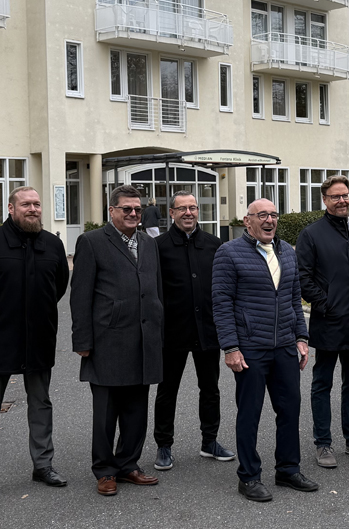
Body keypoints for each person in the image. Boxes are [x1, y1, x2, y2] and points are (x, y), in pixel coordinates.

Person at [0, 186, 70, 507]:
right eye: (25, 204)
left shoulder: (53, 245)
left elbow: (58, 286)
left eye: (36, 204)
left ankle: (43, 466)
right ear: (10, 208)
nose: (32, 209)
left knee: (41, 405)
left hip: (39, 341)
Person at [213, 199, 318, 502]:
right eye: (262, 215)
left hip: (285, 345)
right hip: (250, 348)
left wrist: (301, 336)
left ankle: (288, 469)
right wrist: (231, 348)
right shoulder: (228, 253)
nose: (269, 220)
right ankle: (248, 476)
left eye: (273, 215)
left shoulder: (287, 251)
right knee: (250, 413)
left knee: (290, 410)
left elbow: (294, 296)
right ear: (248, 221)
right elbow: (221, 305)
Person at [71, 185, 164, 497]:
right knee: (106, 413)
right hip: (108, 341)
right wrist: (82, 340)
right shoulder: (92, 242)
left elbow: (157, 292)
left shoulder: (149, 244)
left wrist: (158, 333)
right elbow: (80, 296)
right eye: (126, 209)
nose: (133, 214)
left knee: (137, 410)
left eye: (137, 209)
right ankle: (105, 470)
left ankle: (128, 465)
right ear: (111, 211)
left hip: (144, 340)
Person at [296, 175, 349, 468]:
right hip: (329, 321)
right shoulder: (312, 234)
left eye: (345, 195)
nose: (342, 200)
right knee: (322, 383)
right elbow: (303, 278)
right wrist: (326, 304)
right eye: (336, 196)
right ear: (325, 200)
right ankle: (323, 444)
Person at [152, 191, 235, 472]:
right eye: (182, 209)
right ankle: (164, 445)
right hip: (172, 332)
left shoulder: (214, 245)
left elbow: (225, 287)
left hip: (207, 330)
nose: (188, 213)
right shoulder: (158, 246)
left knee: (210, 389)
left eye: (193, 208)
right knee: (167, 391)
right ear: (172, 213)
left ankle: (209, 441)